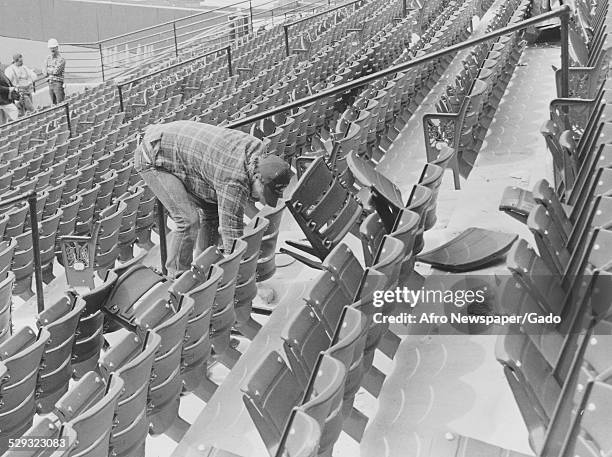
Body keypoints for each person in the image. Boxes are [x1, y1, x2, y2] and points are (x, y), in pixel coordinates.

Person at [133, 120, 294, 277]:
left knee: (212, 211)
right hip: (153, 154)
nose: (260, 198)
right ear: (257, 177)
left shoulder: (258, 152)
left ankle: (201, 272)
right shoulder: (234, 180)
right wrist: (245, 278)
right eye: (263, 192)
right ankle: (176, 279)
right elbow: (232, 236)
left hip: (184, 151)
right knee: (188, 220)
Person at [43, 38, 66, 105]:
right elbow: (44, 72)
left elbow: (56, 71)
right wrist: (51, 69)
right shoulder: (48, 58)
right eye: (51, 48)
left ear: (57, 47)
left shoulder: (61, 59)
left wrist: (48, 69)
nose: (52, 49)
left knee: (60, 103)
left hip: (58, 83)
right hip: (50, 83)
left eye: (53, 48)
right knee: (54, 103)